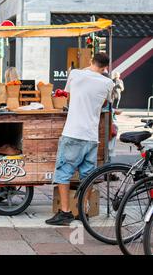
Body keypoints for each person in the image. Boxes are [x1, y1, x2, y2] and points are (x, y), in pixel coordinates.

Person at [46, 53, 114, 226]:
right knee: (87, 176)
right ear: (105, 67)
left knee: (63, 174)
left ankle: (65, 213)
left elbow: (67, 96)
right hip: (91, 136)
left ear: (91, 61)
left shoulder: (76, 74)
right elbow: (105, 104)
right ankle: (83, 211)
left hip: (73, 133)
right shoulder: (108, 83)